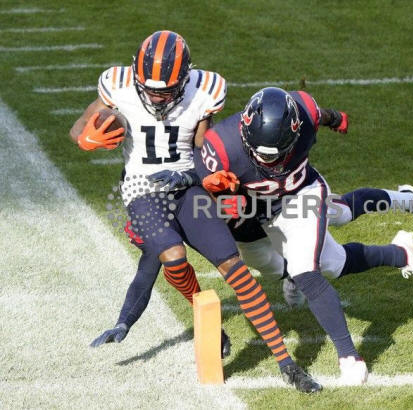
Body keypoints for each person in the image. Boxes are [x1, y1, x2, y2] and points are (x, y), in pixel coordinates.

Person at [69, 31, 321, 393]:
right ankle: (211, 327)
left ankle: (287, 363)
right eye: (149, 89)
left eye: (165, 90)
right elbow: (80, 126)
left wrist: (210, 172)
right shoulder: (118, 85)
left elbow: (204, 144)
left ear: (184, 79)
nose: (155, 97)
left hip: (188, 184)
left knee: (235, 269)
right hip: (142, 188)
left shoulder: (205, 90)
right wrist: (85, 137)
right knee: (172, 256)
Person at [193, 87, 413, 385]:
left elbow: (321, 114)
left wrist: (336, 118)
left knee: (310, 264)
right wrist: (222, 196)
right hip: (255, 211)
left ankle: (349, 356)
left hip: (301, 194)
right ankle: (402, 253)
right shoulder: (220, 147)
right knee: (332, 263)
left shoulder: (304, 110)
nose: (269, 163)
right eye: (260, 155)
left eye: (277, 154)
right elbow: (202, 197)